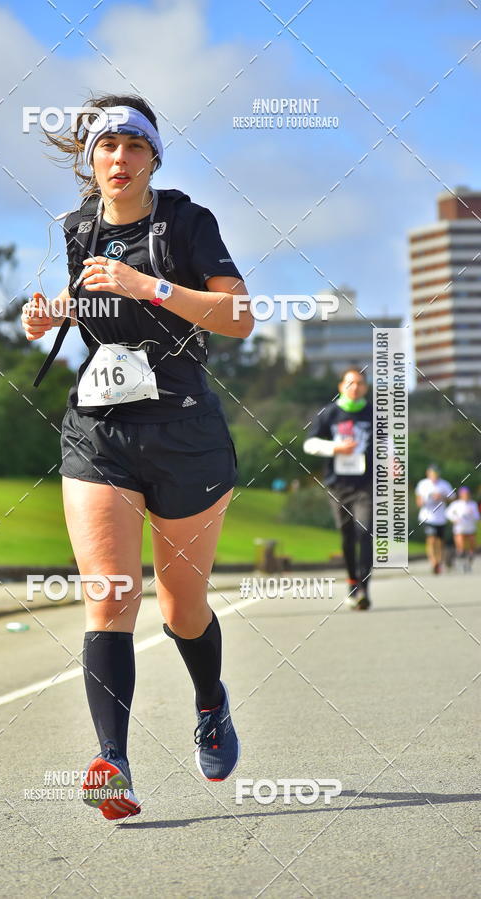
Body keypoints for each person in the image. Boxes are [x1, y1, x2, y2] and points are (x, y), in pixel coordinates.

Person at [21, 93, 253, 820]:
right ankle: (111, 762)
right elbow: (90, 300)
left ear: (154, 156)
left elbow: (240, 317)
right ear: (90, 160)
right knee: (111, 593)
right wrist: (51, 314)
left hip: (186, 432)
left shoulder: (187, 221)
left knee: (183, 611)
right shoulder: (78, 228)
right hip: (101, 429)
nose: (118, 158)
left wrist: (150, 284)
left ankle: (209, 702)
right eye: (106, 147)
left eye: (132, 146)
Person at [303, 368, 373, 610]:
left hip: (366, 483)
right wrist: (336, 448)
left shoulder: (373, 413)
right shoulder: (329, 413)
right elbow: (310, 444)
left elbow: (387, 442)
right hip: (338, 484)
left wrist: (393, 462)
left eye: (360, 383)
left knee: (365, 531)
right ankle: (353, 581)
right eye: (351, 383)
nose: (355, 387)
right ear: (341, 386)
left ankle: (364, 588)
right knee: (347, 535)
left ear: (365, 388)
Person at [415, 465, 454, 574]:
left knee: (440, 541)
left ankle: (439, 561)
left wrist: (441, 497)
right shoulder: (423, 484)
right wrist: (422, 501)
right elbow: (418, 501)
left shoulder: (444, 484)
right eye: (432, 473)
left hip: (441, 518)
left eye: (436, 473)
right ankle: (434, 562)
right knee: (431, 539)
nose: (434, 476)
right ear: (428, 473)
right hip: (427, 517)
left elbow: (452, 497)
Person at [446, 485, 479, 573]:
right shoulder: (456, 504)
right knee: (460, 547)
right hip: (459, 528)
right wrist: (454, 519)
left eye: (467, 494)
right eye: (464, 494)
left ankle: (468, 564)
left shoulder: (473, 504)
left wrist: (472, 515)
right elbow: (448, 513)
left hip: (470, 528)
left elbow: (477, 516)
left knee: (472, 548)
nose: (466, 496)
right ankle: (459, 563)